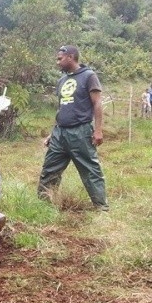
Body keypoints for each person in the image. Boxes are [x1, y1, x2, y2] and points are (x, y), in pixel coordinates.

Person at [38, 45, 108, 211]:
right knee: (49, 170)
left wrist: (98, 130)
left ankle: (101, 207)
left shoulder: (89, 76)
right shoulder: (62, 80)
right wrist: (52, 133)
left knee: (90, 170)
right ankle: (43, 205)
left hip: (80, 132)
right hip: (60, 133)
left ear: (70, 57)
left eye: (59, 58)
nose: (57, 62)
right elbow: (62, 108)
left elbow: (97, 103)